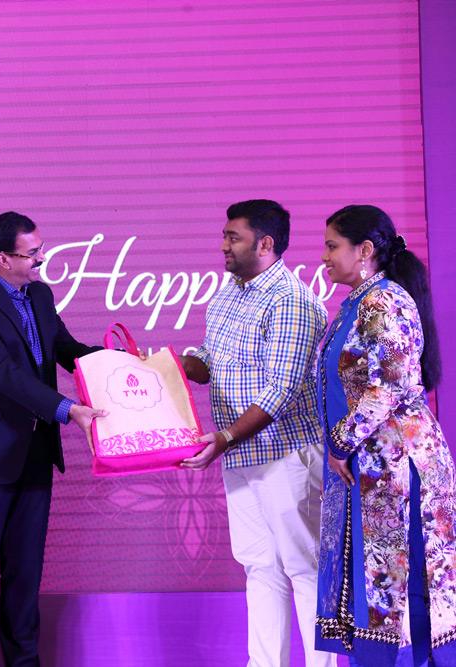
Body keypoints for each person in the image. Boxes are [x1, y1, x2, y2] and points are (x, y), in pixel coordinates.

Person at [0, 211, 104, 667]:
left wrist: (120, 364)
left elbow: (66, 351)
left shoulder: (40, 294)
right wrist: (67, 409)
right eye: (33, 253)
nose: (41, 259)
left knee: (25, 573)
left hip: (35, 452)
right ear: (2, 258)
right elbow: (2, 373)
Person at [180, 200, 333, 667]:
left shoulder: (292, 301)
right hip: (241, 455)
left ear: (265, 244)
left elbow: (280, 390)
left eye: (234, 237)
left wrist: (224, 437)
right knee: (260, 566)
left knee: (304, 567)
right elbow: (209, 359)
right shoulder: (229, 291)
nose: (223, 245)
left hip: (286, 453)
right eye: (224, 236)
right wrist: (167, 368)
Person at [315, 204, 456, 665]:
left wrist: (340, 442)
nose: (324, 256)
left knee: (402, 582)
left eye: (332, 246)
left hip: (397, 463)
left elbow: (389, 386)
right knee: (378, 581)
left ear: (364, 250)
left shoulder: (384, 302)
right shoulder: (357, 304)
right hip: (371, 460)